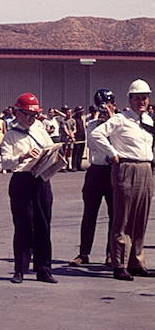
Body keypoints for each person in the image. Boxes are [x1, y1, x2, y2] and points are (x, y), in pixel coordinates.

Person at [89, 79, 155, 280]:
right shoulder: (121, 119)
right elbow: (96, 134)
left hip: (146, 168)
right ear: (130, 99)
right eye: (137, 98)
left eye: (144, 98)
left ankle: (136, 261)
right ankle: (119, 263)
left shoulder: (149, 121)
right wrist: (111, 153)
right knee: (123, 217)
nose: (141, 102)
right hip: (126, 167)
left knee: (141, 217)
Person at [0, 92, 57, 284]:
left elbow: (50, 149)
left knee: (43, 225)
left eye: (34, 115)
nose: (31, 119)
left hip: (41, 179)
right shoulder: (11, 135)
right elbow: (6, 162)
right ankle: (20, 269)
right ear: (17, 113)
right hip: (22, 180)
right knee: (23, 225)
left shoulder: (40, 131)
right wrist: (22, 157)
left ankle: (43, 269)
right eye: (27, 115)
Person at [69, 89, 116, 268]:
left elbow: (116, 142)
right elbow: (93, 143)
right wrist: (102, 123)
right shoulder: (92, 125)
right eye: (102, 106)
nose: (105, 109)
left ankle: (111, 253)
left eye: (108, 104)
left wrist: (111, 121)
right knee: (89, 213)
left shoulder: (119, 123)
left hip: (112, 170)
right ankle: (84, 253)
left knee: (114, 214)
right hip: (96, 170)